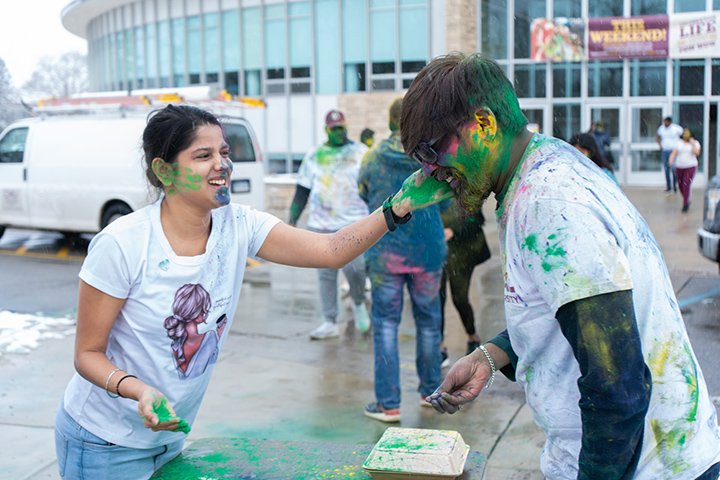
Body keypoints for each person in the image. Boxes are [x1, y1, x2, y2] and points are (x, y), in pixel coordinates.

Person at [54, 104, 452, 480]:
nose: (222, 164)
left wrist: (395, 208)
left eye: (224, 152)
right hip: (102, 442)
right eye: (203, 155)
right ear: (164, 170)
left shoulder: (238, 224)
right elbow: (87, 354)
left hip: (168, 438)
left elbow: (331, 251)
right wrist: (137, 389)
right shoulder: (123, 243)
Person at [400, 53, 720, 479]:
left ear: (484, 124)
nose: (431, 173)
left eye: (432, 152)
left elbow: (616, 387)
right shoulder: (537, 169)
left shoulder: (551, 204)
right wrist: (490, 356)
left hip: (651, 467)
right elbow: (566, 312)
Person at [358, 98, 447, 423]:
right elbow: (449, 195)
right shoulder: (432, 155)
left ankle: (389, 404)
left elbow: (363, 191)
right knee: (428, 322)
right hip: (427, 249)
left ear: (390, 119)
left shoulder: (372, 156)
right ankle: (431, 390)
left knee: (385, 325)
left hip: (386, 250)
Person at [289, 109, 371, 339]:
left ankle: (358, 302)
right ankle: (329, 320)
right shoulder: (314, 156)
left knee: (356, 270)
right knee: (326, 276)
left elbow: (372, 184)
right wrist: (293, 217)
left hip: (354, 224)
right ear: (326, 130)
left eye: (342, 127)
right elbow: (302, 190)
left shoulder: (361, 153)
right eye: (334, 128)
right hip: (321, 226)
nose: (339, 132)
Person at [438, 199, 490, 365]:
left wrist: (453, 230)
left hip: (462, 252)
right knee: (436, 298)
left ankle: (472, 336)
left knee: (459, 297)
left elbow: (477, 220)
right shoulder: (429, 184)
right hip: (436, 251)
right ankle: (439, 347)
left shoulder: (465, 184)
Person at [669, 127, 701, 213]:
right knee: (680, 186)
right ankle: (687, 198)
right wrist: (671, 160)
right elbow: (674, 153)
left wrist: (692, 143)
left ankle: (685, 203)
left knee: (686, 184)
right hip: (679, 167)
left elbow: (697, 153)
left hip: (690, 166)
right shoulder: (679, 143)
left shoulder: (695, 143)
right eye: (684, 133)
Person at [656, 116, 684, 194]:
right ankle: (668, 187)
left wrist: (680, 145)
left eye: (666, 122)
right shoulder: (661, 128)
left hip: (673, 151)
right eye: (664, 122)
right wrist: (659, 144)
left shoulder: (676, 128)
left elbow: (683, 134)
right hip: (665, 151)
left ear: (669, 122)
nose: (665, 123)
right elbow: (658, 136)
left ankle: (675, 187)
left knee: (674, 169)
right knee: (666, 169)